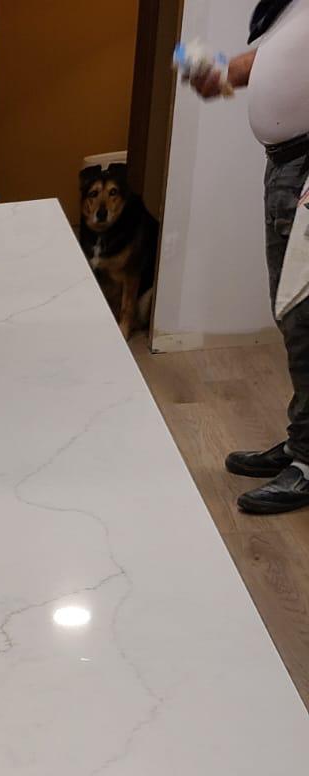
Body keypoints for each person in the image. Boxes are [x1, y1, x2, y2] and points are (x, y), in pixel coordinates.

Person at [191, 0, 309, 514]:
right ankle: (302, 443)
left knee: (307, 318)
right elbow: (279, 57)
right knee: (293, 315)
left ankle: (308, 465)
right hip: (287, 167)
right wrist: (223, 71)